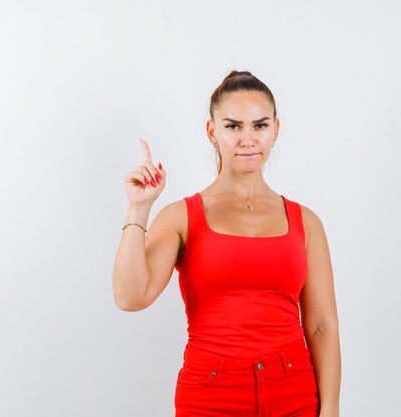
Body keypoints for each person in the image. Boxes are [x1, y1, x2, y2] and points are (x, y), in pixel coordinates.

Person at [113, 70, 341, 417]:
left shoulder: (306, 222)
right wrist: (139, 207)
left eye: (259, 126)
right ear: (212, 131)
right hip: (210, 396)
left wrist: (331, 409)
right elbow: (131, 296)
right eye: (233, 126)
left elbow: (322, 325)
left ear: (275, 130)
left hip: (294, 393)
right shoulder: (182, 217)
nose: (247, 139)